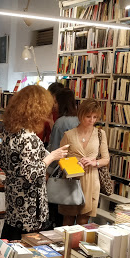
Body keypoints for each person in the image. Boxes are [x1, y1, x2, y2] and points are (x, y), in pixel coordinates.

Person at [0, 85, 69, 241]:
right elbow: (30, 173)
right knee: (28, 247)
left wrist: (50, 155)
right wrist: (52, 157)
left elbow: (3, 163)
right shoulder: (29, 138)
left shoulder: (11, 133)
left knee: (10, 240)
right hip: (29, 204)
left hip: (13, 197)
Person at [58, 98, 110, 225]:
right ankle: (66, 244)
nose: (92, 120)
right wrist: (73, 165)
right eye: (88, 116)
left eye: (95, 117)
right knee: (68, 220)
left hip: (91, 180)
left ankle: (78, 245)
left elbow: (106, 159)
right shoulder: (69, 135)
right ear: (81, 114)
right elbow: (60, 158)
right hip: (72, 181)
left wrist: (95, 163)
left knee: (84, 221)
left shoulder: (100, 134)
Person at [47, 88, 79, 227]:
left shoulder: (61, 122)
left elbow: (55, 149)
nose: (54, 105)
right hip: (76, 168)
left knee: (57, 210)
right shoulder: (79, 120)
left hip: (60, 169)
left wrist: (47, 172)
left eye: (55, 102)